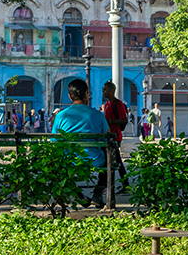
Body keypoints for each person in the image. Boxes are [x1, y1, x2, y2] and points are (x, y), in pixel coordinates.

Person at [53, 79, 111, 207]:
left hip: (69, 160)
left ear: (69, 96)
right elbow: (107, 139)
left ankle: (77, 193)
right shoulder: (98, 115)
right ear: (86, 94)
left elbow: (55, 141)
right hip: (95, 160)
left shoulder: (60, 116)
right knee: (111, 158)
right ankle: (97, 194)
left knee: (57, 160)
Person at [100, 81, 131, 193]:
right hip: (108, 137)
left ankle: (107, 186)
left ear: (111, 91)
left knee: (113, 161)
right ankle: (123, 184)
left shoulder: (117, 104)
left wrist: (110, 121)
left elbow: (124, 120)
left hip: (115, 137)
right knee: (115, 161)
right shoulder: (107, 104)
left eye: (105, 90)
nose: (103, 92)